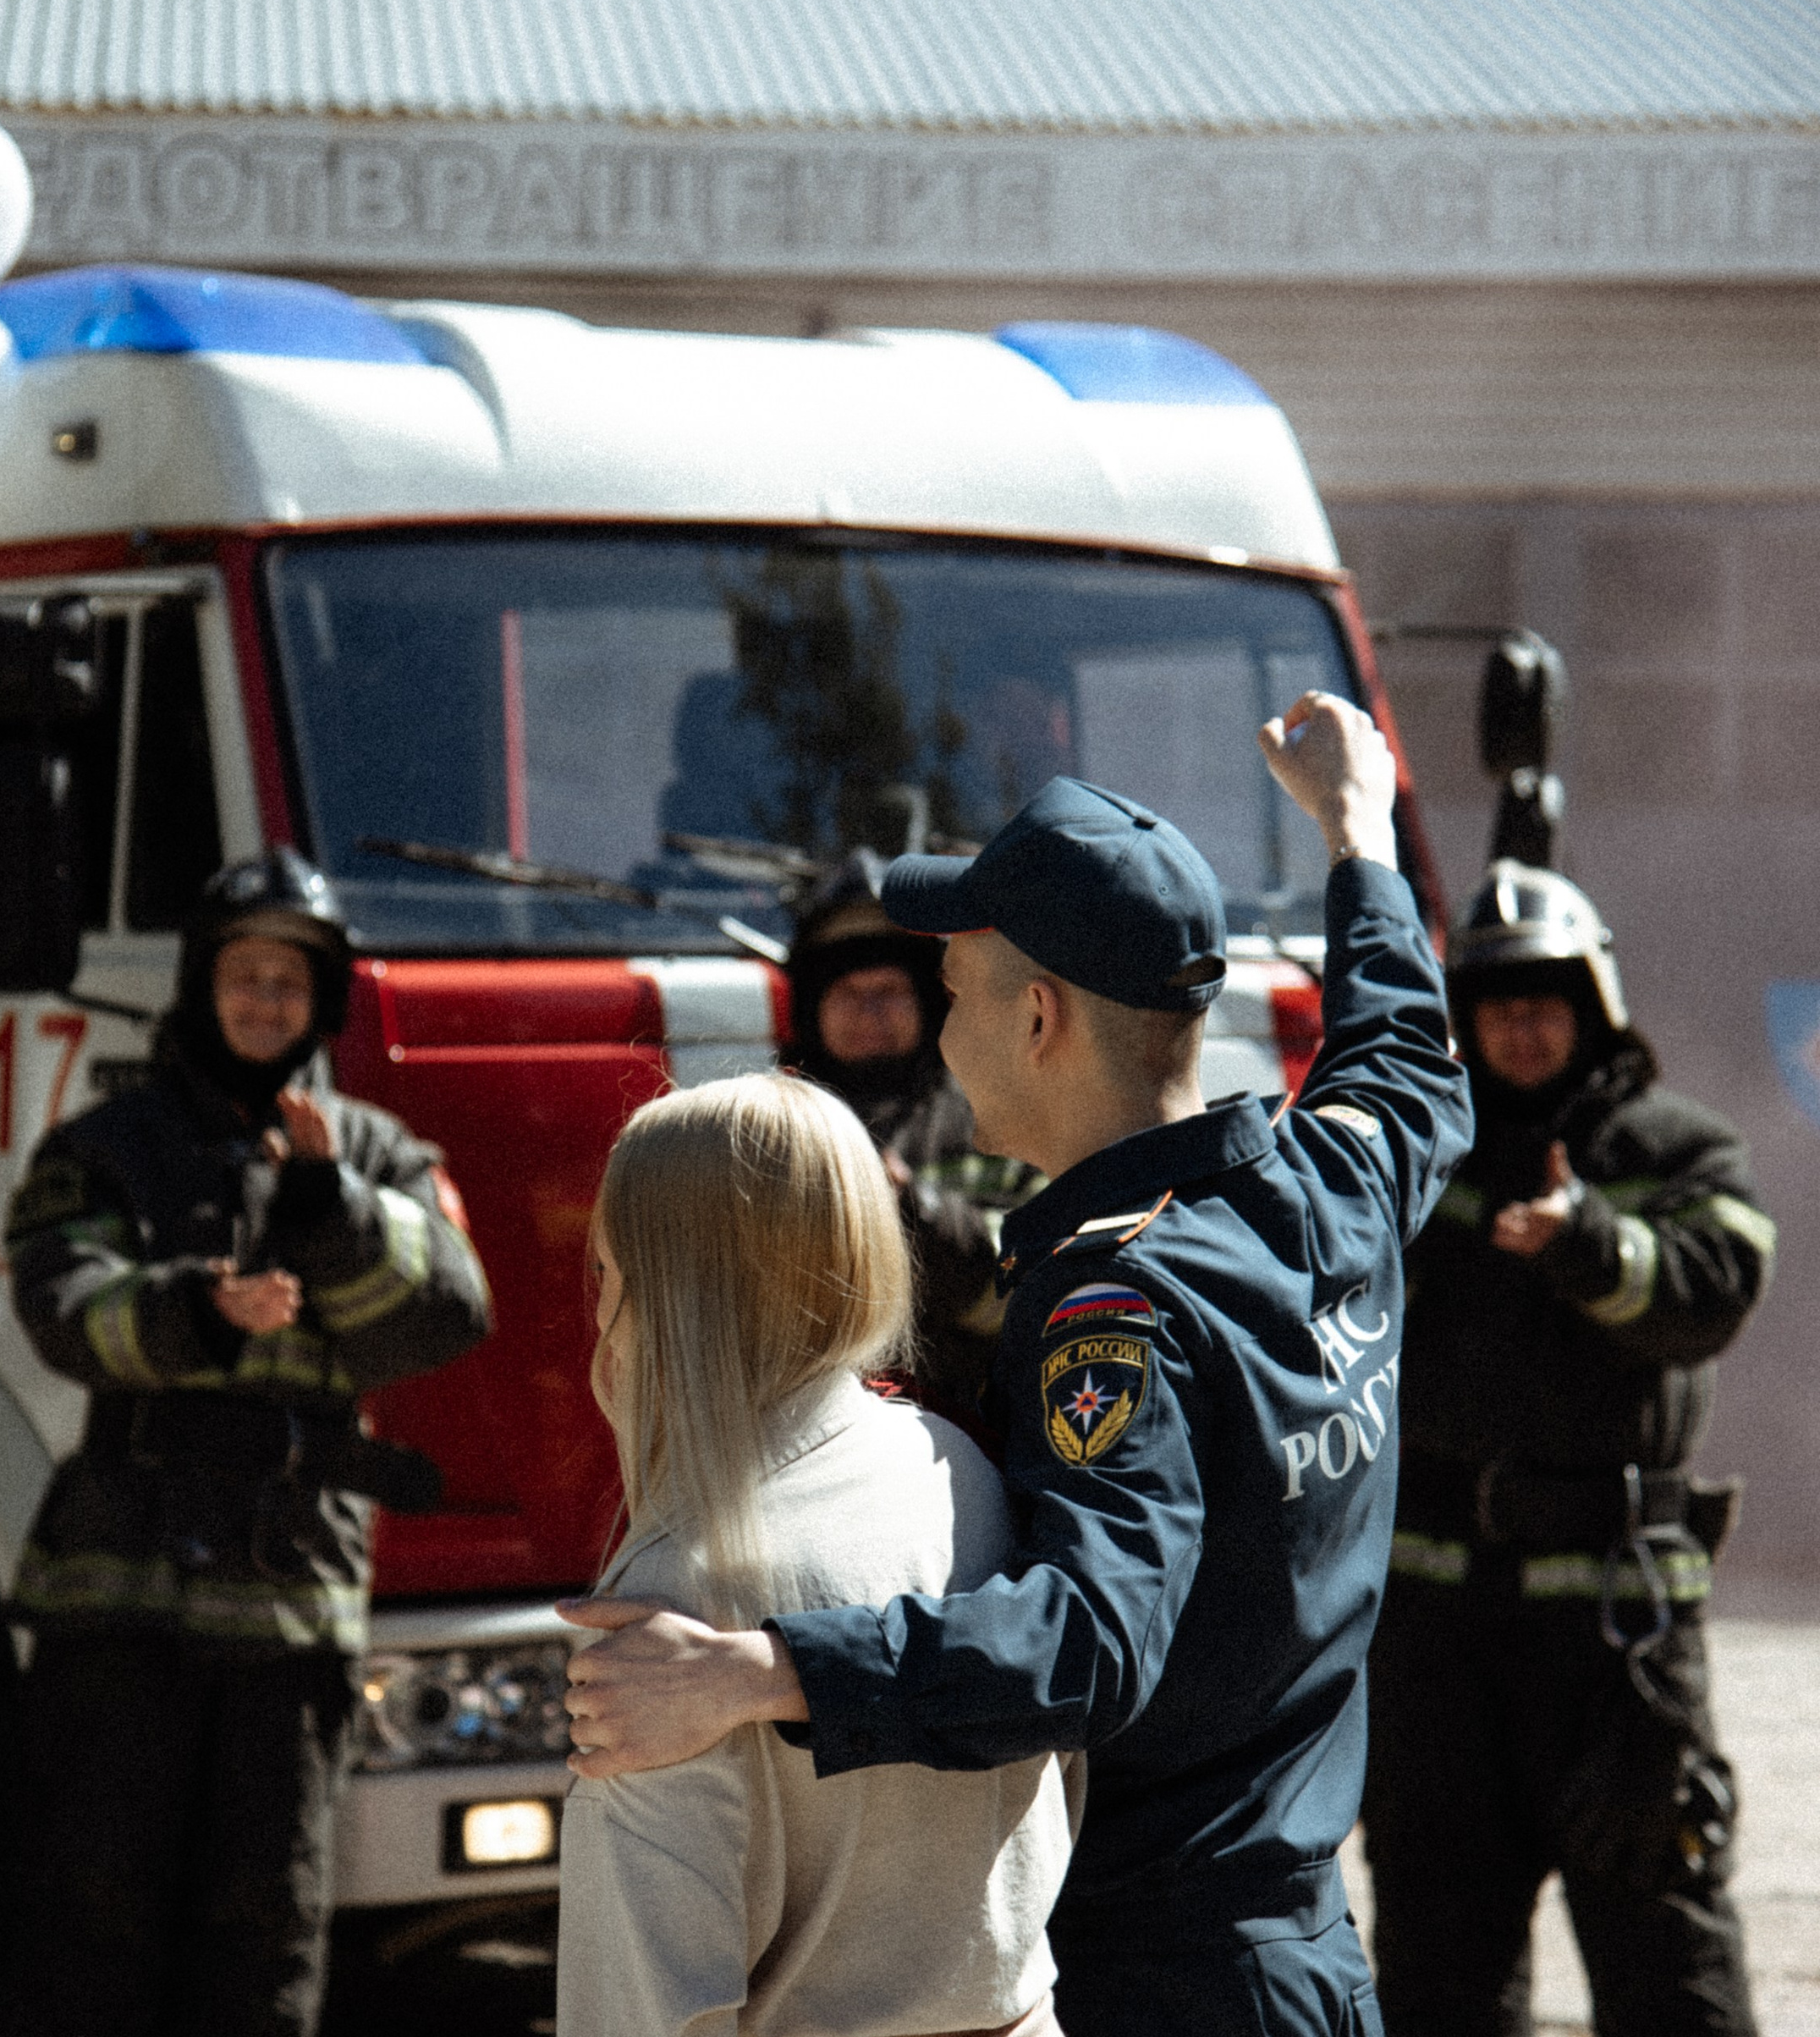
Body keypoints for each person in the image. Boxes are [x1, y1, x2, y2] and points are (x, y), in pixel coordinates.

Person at [561, 693, 1474, 2037]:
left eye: (954, 994)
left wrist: (761, 1673)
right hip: (1311, 1959)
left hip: (1165, 1986)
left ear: (1039, 1016)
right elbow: (1407, 1063)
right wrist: (1360, 832)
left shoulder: (1117, 1309)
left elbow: (1092, 1642)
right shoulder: (1330, 1184)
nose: (938, 1034)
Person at [3, 847, 492, 2037]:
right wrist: (194, 1310)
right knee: (92, 1915)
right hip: (123, 1593)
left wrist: (337, 1218)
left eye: (290, 981)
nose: (265, 1001)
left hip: (292, 1608)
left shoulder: (378, 1154)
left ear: (321, 1002)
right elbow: (60, 1309)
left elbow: (451, 1312)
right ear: (200, 985)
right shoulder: (106, 1144)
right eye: (244, 975)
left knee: (266, 1935)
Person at [557, 1072, 1075, 2037]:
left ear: (658, 1287)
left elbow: (648, 2002)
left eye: (607, 1267)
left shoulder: (672, 1605)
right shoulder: (960, 1469)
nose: (597, 1305)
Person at [1358, 861, 1775, 2037]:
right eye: (1497, 1005)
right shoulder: (1424, 1161)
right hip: (1437, 1646)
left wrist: (1589, 1242)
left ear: (1595, 1006)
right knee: (1438, 1977)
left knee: (1669, 1967)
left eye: (1546, 1001)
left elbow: (1715, 1288)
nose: (1522, 1026)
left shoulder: (1677, 1146)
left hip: (1616, 1650)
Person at [784, 851, 1042, 1415]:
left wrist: (904, 1210)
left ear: (927, 1003)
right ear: (811, 1009)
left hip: (965, 1438)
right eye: (849, 992)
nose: (870, 1010)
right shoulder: (770, 1132)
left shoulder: (1001, 1119)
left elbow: (1035, 1292)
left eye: (889, 991)